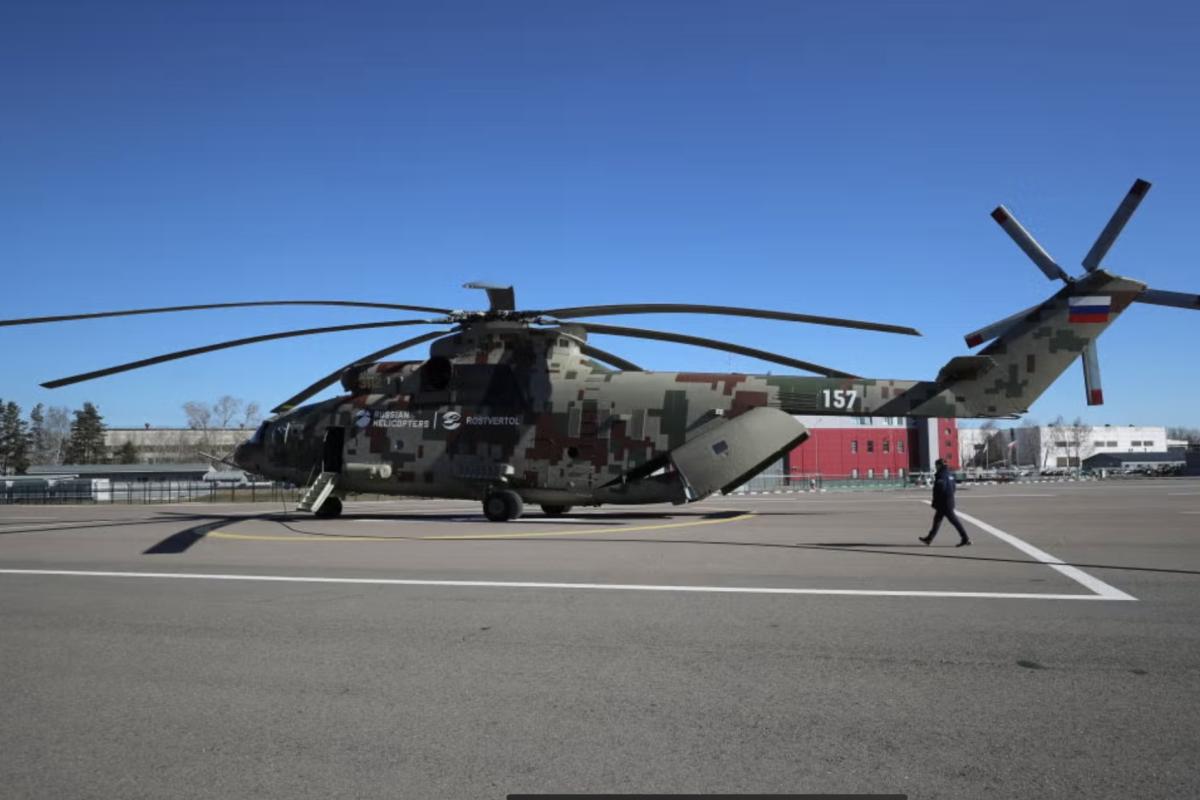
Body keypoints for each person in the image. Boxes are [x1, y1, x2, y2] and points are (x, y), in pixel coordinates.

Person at [920, 459, 971, 547]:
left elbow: (940, 489)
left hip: (944, 503)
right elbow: (953, 488)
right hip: (947, 501)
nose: (936, 467)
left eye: (936, 465)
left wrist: (936, 500)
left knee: (954, 521)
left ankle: (965, 538)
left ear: (939, 465)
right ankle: (929, 538)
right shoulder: (949, 474)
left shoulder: (941, 475)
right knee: (937, 521)